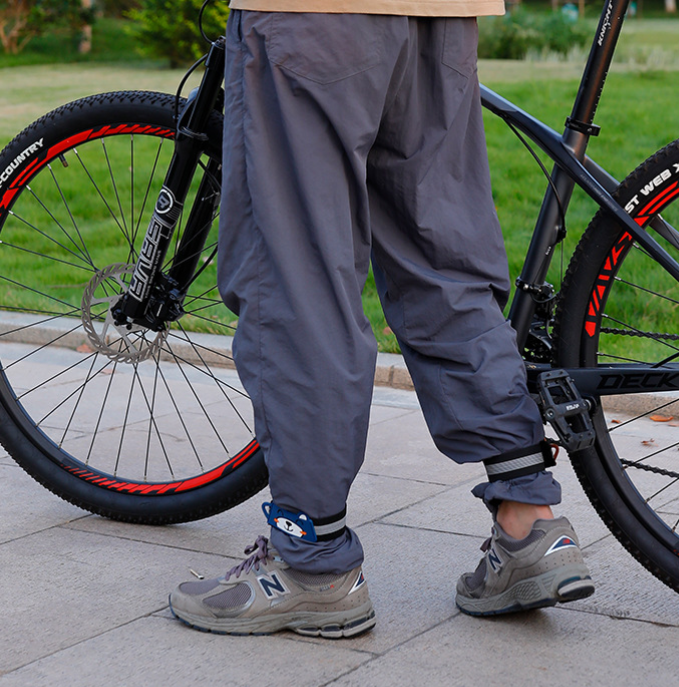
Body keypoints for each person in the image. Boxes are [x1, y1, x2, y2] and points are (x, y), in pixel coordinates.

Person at [168, 1, 595, 636]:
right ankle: (528, 524)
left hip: (315, 16)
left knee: (299, 273)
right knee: (441, 259)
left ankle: (311, 564)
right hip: (442, 13)